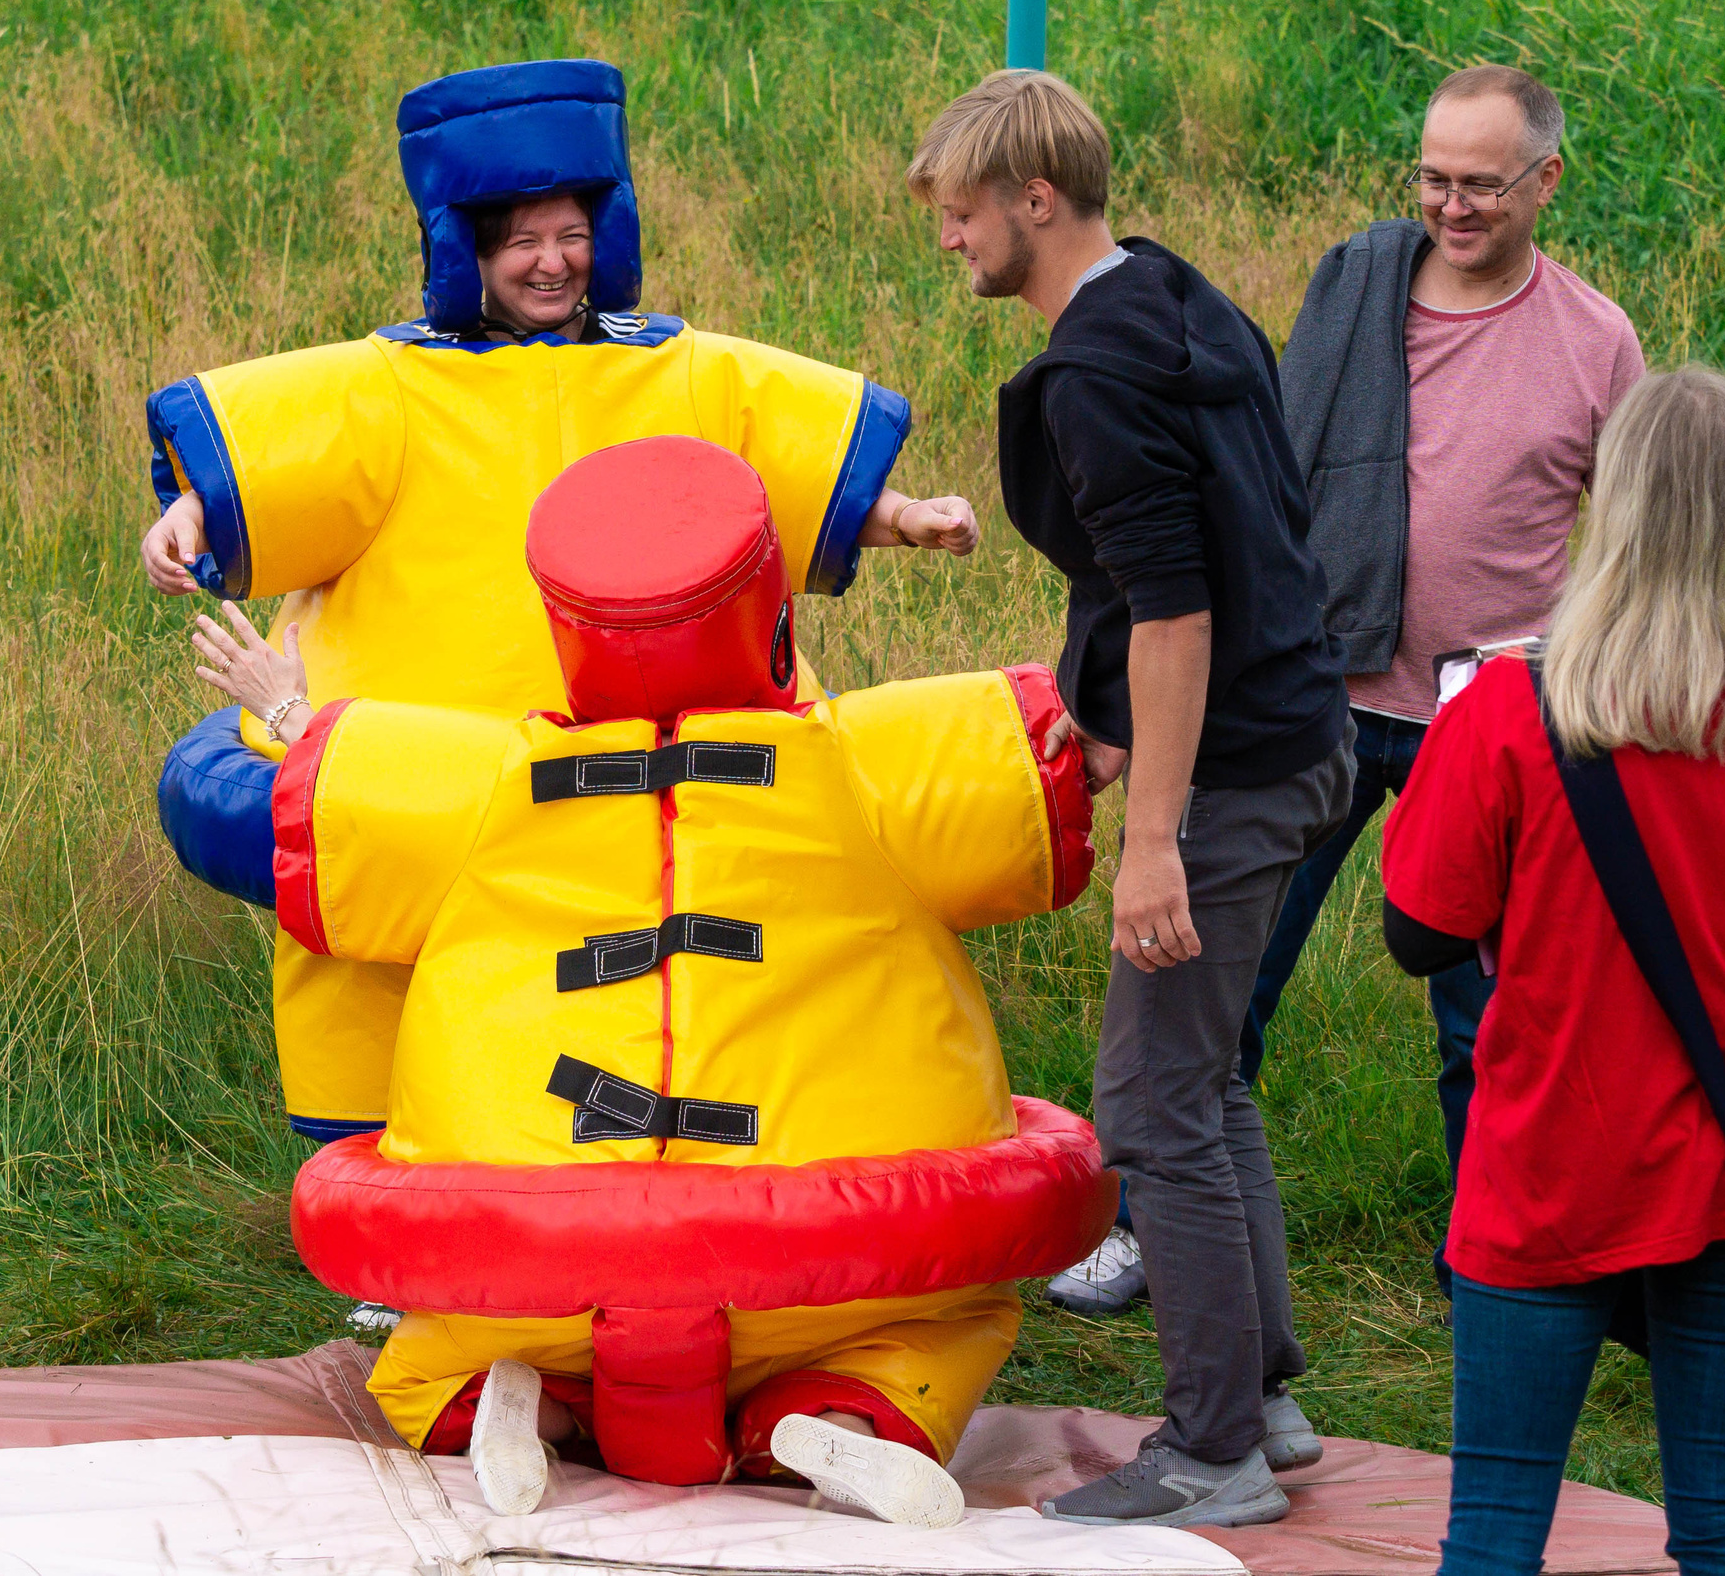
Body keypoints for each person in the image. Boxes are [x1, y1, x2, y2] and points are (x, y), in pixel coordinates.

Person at [188, 436, 1113, 1528]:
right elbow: (1066, 748)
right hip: (826, 1249)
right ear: (767, 612)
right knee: (935, 1325)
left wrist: (285, 703)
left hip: (551, 1251)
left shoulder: (491, 780)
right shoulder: (871, 762)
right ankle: (848, 1413)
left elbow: (332, 792)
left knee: (449, 1333)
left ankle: (517, 1397)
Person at [140, 59, 975, 1151]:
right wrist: (187, 518)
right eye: (523, 240)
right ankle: (400, 1213)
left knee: (644, 982)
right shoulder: (392, 389)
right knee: (402, 971)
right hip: (434, 769)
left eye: (571, 234)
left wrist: (908, 516)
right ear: (468, 247)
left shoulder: (669, 371)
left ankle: (674, 1164)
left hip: (637, 753)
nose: (551, 262)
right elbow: (273, 469)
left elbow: (779, 468)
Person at [1049, 65, 1649, 1322]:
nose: (1450, 205)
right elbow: (1255, 469)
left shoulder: (1597, 344)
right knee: (1224, 974)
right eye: (1432, 177)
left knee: (1486, 1022)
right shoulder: (1353, 290)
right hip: (1314, 696)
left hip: (1490, 727)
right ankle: (1158, 1225)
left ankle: (1490, 1265)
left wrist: (1581, 683)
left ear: (1546, 181)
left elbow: (1638, 542)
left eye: (1480, 183)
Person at [907, 69, 1353, 1529]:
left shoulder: (1096, 369)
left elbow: (1175, 610)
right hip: (1299, 728)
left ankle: (1212, 1446)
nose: (952, 240)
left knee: (1149, 1101)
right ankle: (1266, 1401)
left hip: (1227, 769)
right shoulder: (1170, 291)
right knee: (1206, 1083)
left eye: (963, 214)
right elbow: (1224, 543)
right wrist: (1098, 703)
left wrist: (1152, 831)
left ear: (1035, 198)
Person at [1380, 368, 1725, 1575]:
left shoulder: (1510, 710)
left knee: (1497, 1528)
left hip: (1549, 1158)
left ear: (1606, 509)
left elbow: (1418, 932)